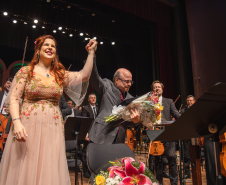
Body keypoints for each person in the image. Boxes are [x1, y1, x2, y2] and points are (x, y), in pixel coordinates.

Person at [0, 35, 97, 185]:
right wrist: (17, 122)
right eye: (46, 45)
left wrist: (91, 53)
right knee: (26, 164)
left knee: (48, 165)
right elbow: (13, 98)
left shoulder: (59, 75)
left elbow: (84, 76)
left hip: (52, 127)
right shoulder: (25, 72)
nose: (50, 47)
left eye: (53, 46)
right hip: (28, 124)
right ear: (38, 50)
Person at [87, 53, 140, 144]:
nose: (130, 84)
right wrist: (91, 55)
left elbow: (135, 124)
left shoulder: (130, 98)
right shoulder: (107, 86)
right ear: (116, 80)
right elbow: (93, 77)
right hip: (100, 136)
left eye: (131, 82)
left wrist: (136, 121)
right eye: (126, 81)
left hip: (119, 140)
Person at [151, 80, 181, 185]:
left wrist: (185, 119)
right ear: (152, 90)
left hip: (168, 133)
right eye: (155, 87)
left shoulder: (169, 101)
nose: (157, 88)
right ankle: (159, 182)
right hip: (156, 134)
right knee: (158, 161)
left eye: (158, 87)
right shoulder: (150, 103)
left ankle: (174, 183)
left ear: (162, 90)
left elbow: (176, 114)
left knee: (172, 159)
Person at [81, 93, 98, 178]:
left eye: (94, 98)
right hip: (89, 133)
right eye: (91, 98)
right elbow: (85, 122)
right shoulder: (85, 109)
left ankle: (94, 170)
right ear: (88, 100)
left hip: (97, 134)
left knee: (95, 152)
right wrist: (86, 134)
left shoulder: (98, 108)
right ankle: (85, 170)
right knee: (86, 152)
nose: (93, 99)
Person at [179, 95, 196, 179]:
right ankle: (187, 172)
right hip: (186, 135)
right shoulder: (183, 111)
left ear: (194, 101)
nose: (189, 102)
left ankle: (196, 172)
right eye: (188, 100)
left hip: (195, 135)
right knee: (186, 155)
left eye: (190, 100)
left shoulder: (197, 110)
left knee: (195, 154)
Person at [0, 78, 12, 160]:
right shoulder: (0, 94)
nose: (9, 85)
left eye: (11, 84)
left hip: (7, 118)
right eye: (8, 83)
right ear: (4, 84)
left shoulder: (13, 96)